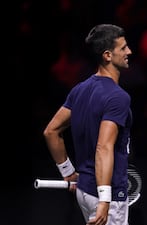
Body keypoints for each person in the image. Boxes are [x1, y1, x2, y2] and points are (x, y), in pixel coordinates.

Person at [43, 24, 133, 225]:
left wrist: (68, 173)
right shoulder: (118, 98)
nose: (129, 52)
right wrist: (104, 198)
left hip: (84, 191)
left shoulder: (79, 90)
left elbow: (51, 131)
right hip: (106, 195)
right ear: (107, 55)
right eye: (123, 48)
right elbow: (103, 147)